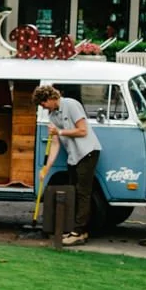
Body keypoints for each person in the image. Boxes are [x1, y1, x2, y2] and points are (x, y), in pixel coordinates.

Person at [35, 84, 102, 246]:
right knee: (73, 192)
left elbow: (82, 131)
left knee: (83, 193)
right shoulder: (52, 116)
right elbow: (56, 145)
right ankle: (80, 230)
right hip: (74, 157)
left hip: (88, 152)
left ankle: (78, 232)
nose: (43, 107)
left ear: (50, 98)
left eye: (43, 103)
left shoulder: (71, 105)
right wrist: (46, 168)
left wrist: (60, 132)